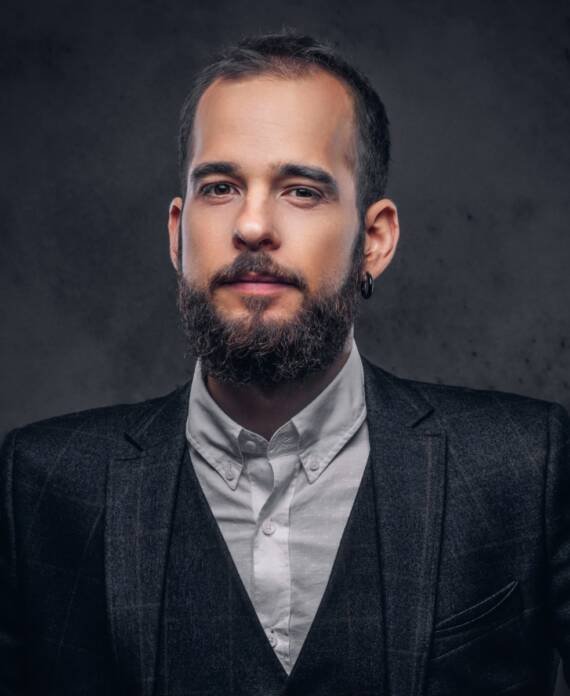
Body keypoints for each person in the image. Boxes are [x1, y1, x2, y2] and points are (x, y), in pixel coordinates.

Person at [1, 29, 569, 696]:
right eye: (220, 187)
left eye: (301, 190)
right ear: (178, 233)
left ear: (374, 240)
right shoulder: (40, 485)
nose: (251, 225)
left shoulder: (526, 467)